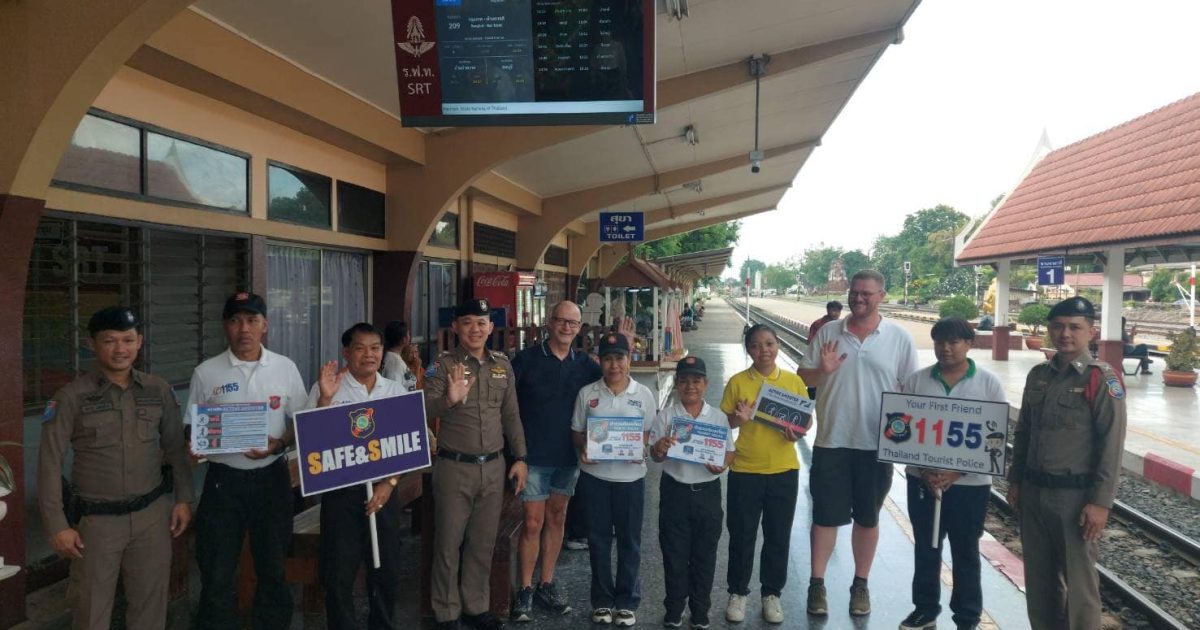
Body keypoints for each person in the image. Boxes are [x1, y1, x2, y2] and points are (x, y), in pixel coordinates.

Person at [37, 307, 194, 630]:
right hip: (96, 523)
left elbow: (176, 449)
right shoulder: (71, 397)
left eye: (128, 340)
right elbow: (49, 464)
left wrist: (183, 499)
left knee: (150, 609)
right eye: (109, 341)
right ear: (92, 344)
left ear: (140, 342)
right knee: (91, 611)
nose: (120, 349)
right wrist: (57, 526)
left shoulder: (158, 390)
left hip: (151, 517)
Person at [797, 269, 919, 617]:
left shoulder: (899, 338)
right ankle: (816, 584)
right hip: (832, 440)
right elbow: (804, 376)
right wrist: (822, 371)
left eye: (867, 293)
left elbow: (912, 390)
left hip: (877, 444)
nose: (859, 298)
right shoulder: (828, 333)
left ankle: (860, 584)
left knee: (868, 518)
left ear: (881, 295)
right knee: (825, 516)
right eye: (855, 292)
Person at [185, 291, 309, 630]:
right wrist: (193, 445)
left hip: (271, 480)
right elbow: (191, 427)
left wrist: (279, 444)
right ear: (225, 326)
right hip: (223, 483)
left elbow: (301, 423)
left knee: (273, 567)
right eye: (236, 320)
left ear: (264, 325)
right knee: (217, 569)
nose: (244, 329)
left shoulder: (285, 368)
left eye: (252, 320)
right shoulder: (206, 372)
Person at [1006, 297, 1127, 629]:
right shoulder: (1038, 375)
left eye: (1075, 327)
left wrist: (1100, 503)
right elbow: (1024, 432)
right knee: (1040, 584)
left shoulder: (1101, 379)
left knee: (1080, 587)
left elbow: (1111, 445)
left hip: (1074, 499)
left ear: (1092, 332)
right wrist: (1015, 480)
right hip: (1034, 493)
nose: (1065, 334)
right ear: (1049, 329)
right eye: (1058, 326)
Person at [424, 298, 529, 630]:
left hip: (494, 467)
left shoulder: (502, 365)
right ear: (455, 327)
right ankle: (446, 613)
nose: (475, 329)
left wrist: (520, 458)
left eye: (481, 322)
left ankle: (476, 607)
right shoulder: (442, 365)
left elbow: (511, 415)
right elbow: (423, 409)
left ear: (491, 327)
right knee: (448, 544)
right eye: (467, 322)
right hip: (454, 467)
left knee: (482, 544)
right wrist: (449, 399)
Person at [897, 318, 1008, 630]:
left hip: (970, 486)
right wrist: (925, 470)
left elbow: (995, 438)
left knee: (965, 549)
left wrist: (955, 473)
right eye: (940, 342)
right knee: (926, 546)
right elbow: (903, 430)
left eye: (954, 342)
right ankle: (925, 610)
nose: (945, 348)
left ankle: (967, 617)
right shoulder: (917, 381)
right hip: (923, 480)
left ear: (969, 344)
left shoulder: (988, 384)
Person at [307, 323, 407, 629]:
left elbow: (406, 445)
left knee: (386, 569)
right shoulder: (327, 388)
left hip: (383, 493)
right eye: (360, 348)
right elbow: (310, 441)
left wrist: (389, 484)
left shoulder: (394, 391)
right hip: (341, 494)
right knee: (339, 572)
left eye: (375, 348)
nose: (369, 355)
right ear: (346, 352)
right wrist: (325, 401)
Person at [509, 301, 602, 622]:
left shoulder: (586, 365)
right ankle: (525, 587)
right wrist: (516, 453)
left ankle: (546, 582)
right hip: (533, 456)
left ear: (579, 328)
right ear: (549, 323)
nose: (566, 327)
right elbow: (507, 404)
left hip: (568, 456)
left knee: (557, 518)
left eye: (572, 323)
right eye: (561, 321)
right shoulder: (526, 360)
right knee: (532, 522)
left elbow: (609, 389)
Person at [720, 324, 808, 625]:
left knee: (777, 535)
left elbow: (804, 422)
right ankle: (738, 592)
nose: (764, 350)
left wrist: (797, 433)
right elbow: (724, 423)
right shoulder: (738, 382)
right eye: (756, 345)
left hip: (784, 470)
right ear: (749, 350)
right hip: (745, 469)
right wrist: (738, 418)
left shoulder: (793, 381)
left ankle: (771, 594)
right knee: (741, 535)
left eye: (769, 343)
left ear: (778, 345)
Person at [570, 332, 657, 628]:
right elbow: (577, 431)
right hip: (595, 478)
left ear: (629, 360)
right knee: (598, 541)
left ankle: (627, 602)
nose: (614, 365)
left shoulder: (644, 394)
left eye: (619, 358)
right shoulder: (587, 393)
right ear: (600, 361)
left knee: (630, 542)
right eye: (607, 359)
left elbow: (648, 434)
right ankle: (602, 601)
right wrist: (584, 446)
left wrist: (639, 448)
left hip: (631, 480)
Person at [649, 356, 735, 629]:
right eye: (684, 381)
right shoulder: (666, 416)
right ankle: (674, 608)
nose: (690, 386)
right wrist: (659, 449)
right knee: (673, 554)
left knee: (705, 555)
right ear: (676, 384)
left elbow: (729, 452)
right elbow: (655, 455)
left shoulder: (718, 417)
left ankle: (700, 610)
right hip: (674, 492)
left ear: (706, 384)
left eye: (696, 381)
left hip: (707, 493)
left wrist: (721, 465)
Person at [805, 301, 842, 398]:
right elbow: (810, 342)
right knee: (813, 388)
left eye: (838, 311)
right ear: (828, 310)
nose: (836, 313)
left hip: (833, 360)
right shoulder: (817, 324)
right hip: (818, 359)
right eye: (833, 310)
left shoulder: (841, 325)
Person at [382, 320, 419, 391]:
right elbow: (394, 392)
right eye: (408, 334)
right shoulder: (394, 363)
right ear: (404, 339)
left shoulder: (393, 357)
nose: (410, 337)